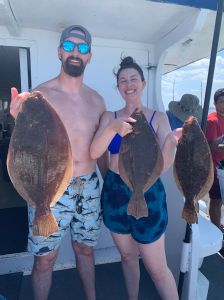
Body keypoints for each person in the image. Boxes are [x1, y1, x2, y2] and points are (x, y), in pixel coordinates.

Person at [10, 25, 107, 300]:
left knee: (85, 250)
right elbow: (24, 146)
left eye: (83, 48)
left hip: (89, 187)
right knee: (44, 259)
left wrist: (108, 182)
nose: (75, 52)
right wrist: (17, 115)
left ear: (89, 57)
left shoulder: (97, 101)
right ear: (59, 51)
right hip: (48, 189)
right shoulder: (38, 96)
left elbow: (99, 151)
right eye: (69, 46)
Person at [90, 56, 182, 300]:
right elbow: (94, 152)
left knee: (157, 268)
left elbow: (163, 165)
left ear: (142, 83)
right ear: (118, 86)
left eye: (133, 79)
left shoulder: (159, 118)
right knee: (128, 257)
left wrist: (172, 142)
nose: (128, 84)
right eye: (122, 80)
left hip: (149, 194)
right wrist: (112, 129)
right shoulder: (109, 117)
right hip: (115, 194)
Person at [205, 88, 224, 230]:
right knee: (217, 201)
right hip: (215, 169)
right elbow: (211, 146)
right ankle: (216, 230)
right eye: (222, 102)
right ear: (215, 103)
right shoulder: (212, 121)